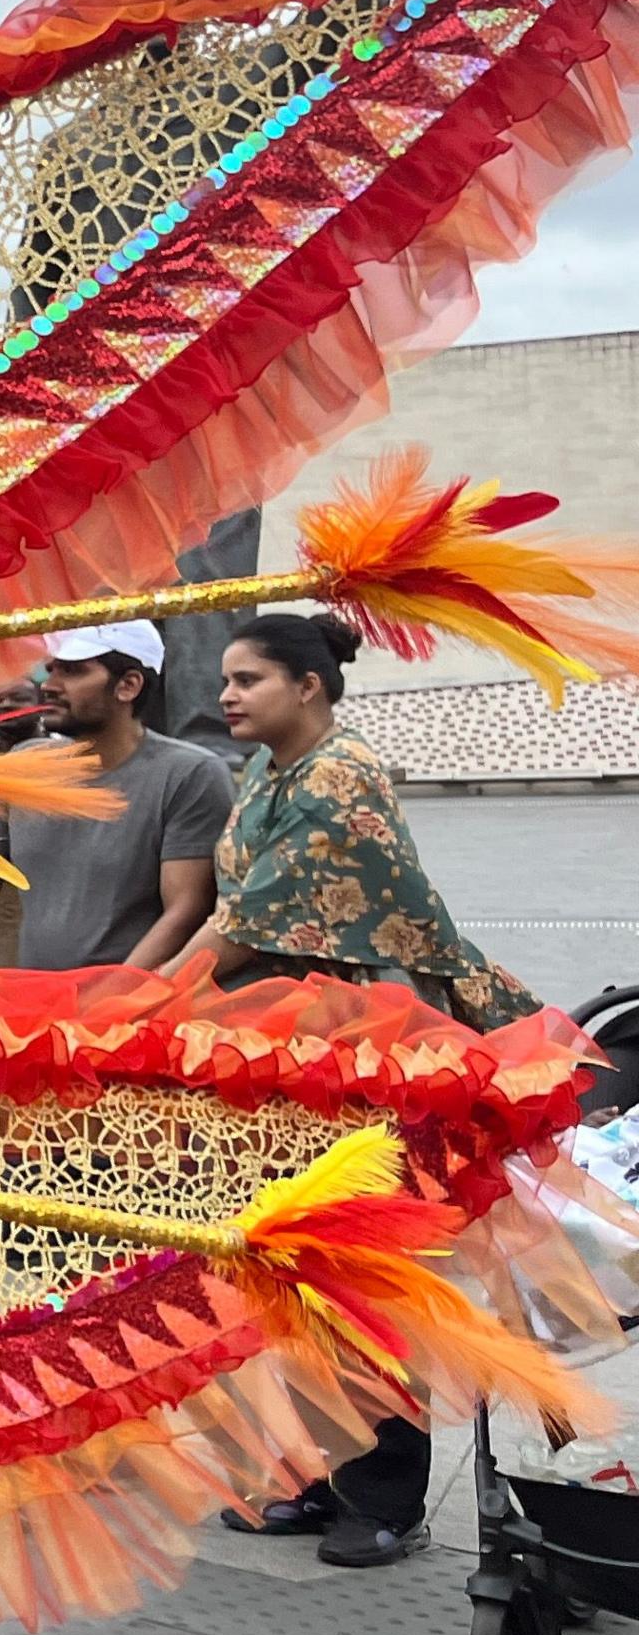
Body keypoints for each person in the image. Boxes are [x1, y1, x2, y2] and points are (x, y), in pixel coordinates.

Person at [184, 611, 541, 1570]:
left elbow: (245, 926)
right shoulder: (263, 773)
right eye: (226, 678)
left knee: (365, 1269)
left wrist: (144, 1006)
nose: (228, 695)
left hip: (377, 1057)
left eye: (249, 679)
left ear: (309, 686)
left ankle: (384, 1496)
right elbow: (230, 911)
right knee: (286, 1254)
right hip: (296, 1054)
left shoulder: (342, 778)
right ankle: (306, 1475)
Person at [0, 622, 231, 973]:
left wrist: (113, 1000)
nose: (50, 686)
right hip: (31, 1004)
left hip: (132, 1014)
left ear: (128, 686)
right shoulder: (27, 763)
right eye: (51, 670)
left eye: (72, 672)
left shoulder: (190, 775)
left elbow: (185, 911)